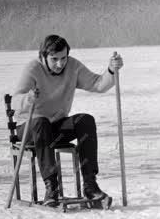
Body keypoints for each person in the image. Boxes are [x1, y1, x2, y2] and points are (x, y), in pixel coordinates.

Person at [12, 34, 124, 207]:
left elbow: (98, 84)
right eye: (54, 59)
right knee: (41, 123)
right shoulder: (33, 69)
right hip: (28, 128)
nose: (60, 64)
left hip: (55, 126)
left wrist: (111, 70)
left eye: (63, 58)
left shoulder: (73, 66)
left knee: (85, 120)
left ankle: (90, 185)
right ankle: (52, 188)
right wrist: (28, 98)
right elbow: (15, 101)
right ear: (43, 56)